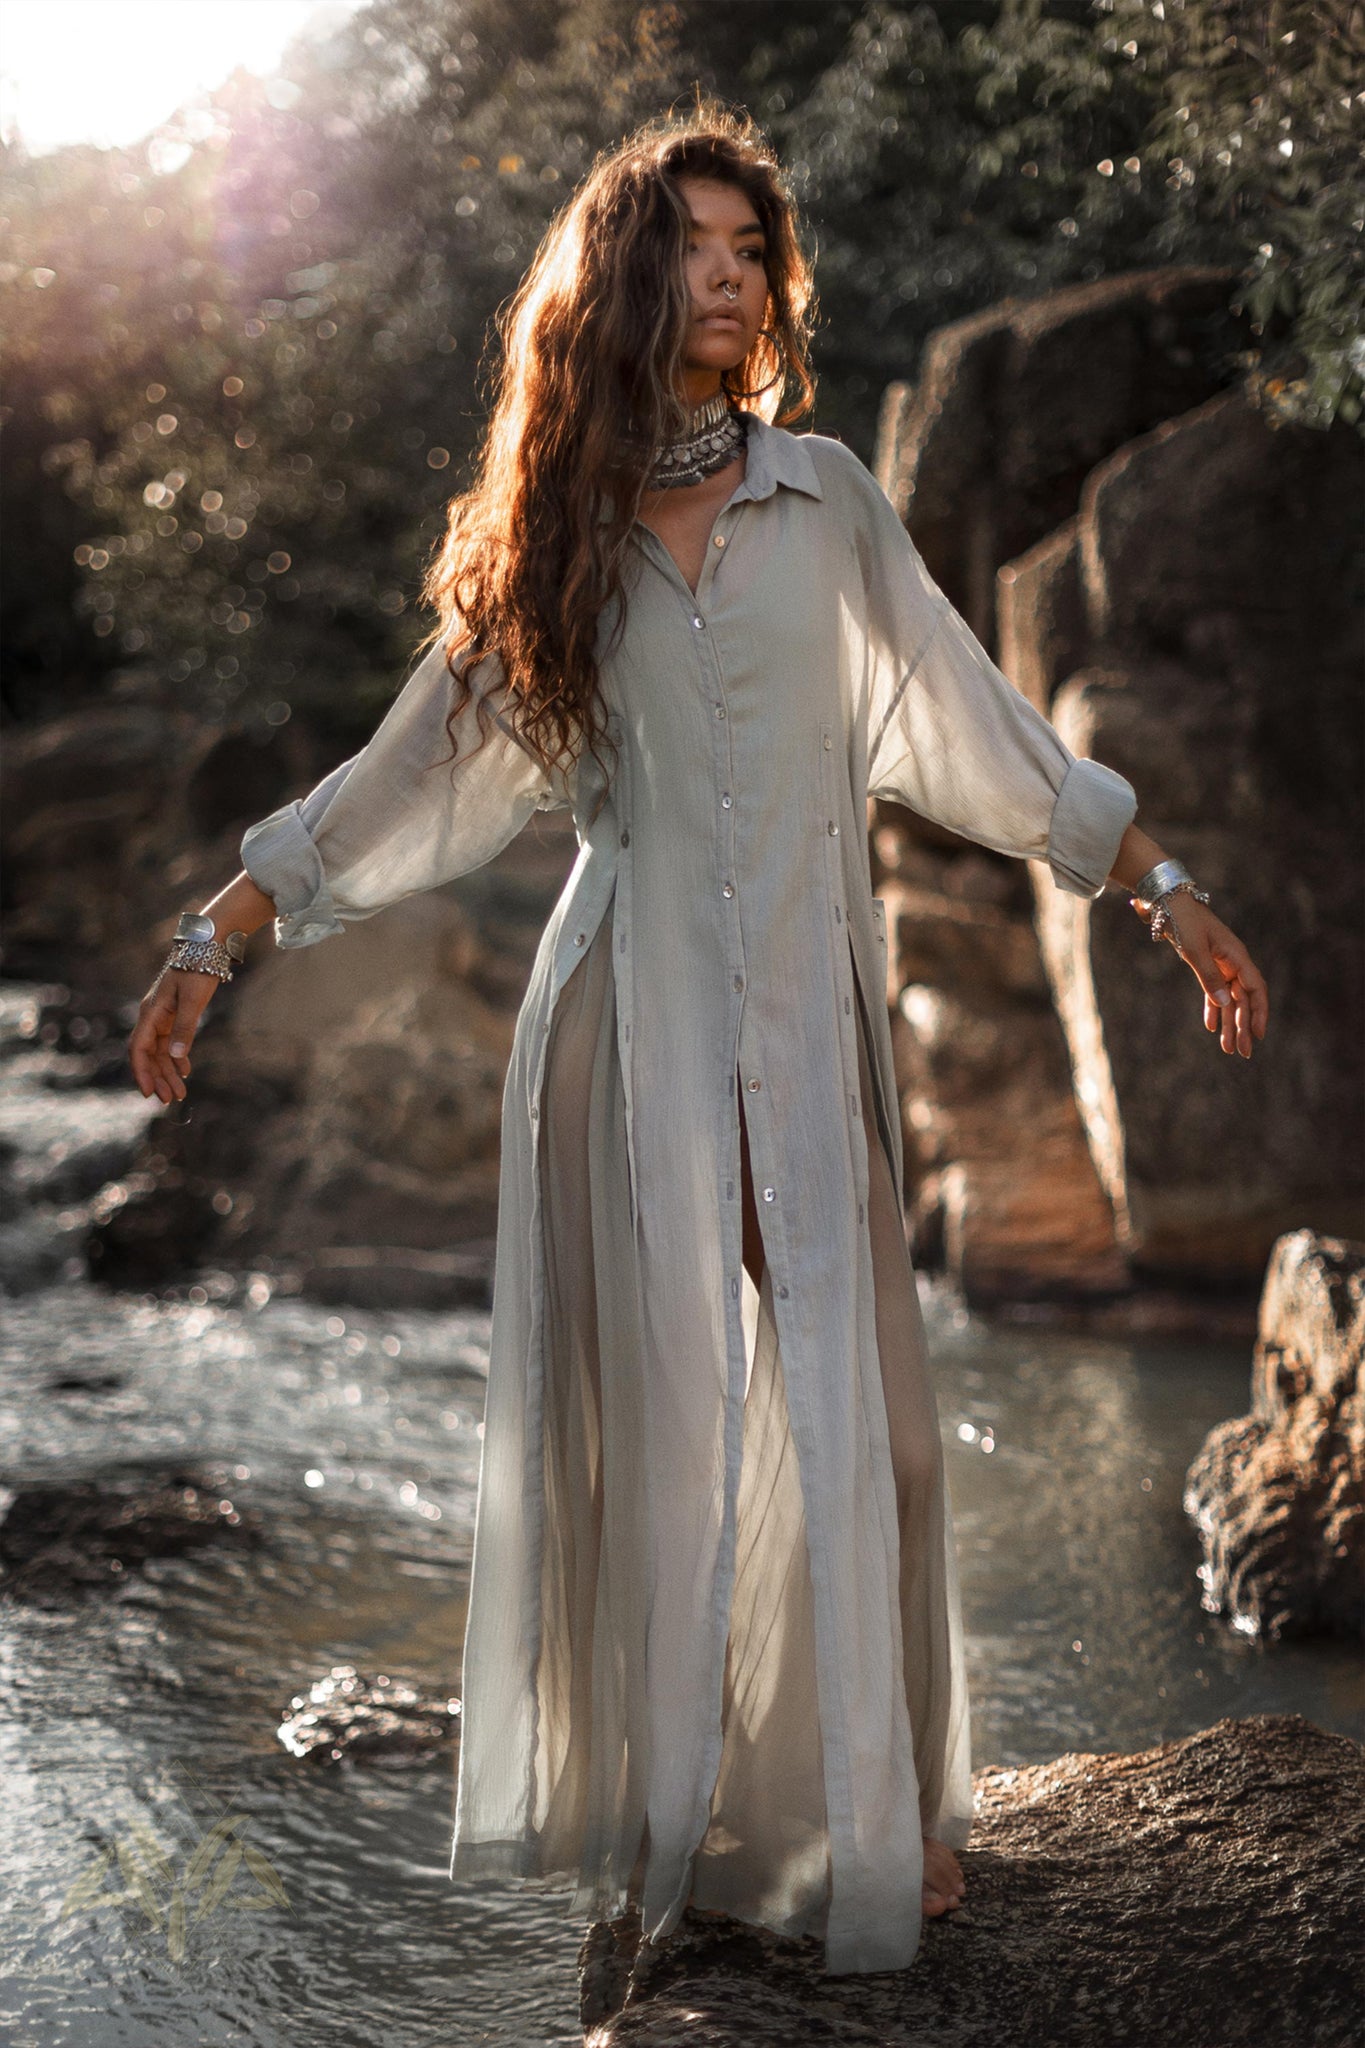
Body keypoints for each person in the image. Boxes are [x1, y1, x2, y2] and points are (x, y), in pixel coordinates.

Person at [128, 107, 1268, 1978]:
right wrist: (211, 940)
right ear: (625, 283)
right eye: (697, 248)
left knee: (875, 1432)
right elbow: (402, 780)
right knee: (659, 1442)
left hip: (801, 1023)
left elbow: (978, 730)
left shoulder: (826, 497)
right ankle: (667, 1830)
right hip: (619, 1029)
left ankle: (872, 1820)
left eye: (754, 246)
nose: (734, 276)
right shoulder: (557, 541)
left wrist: (1160, 887)